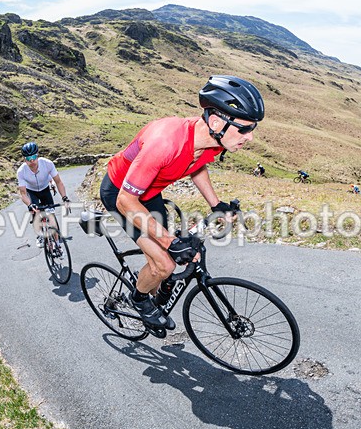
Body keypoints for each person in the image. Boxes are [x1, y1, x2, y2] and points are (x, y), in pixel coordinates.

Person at [100, 75, 263, 330]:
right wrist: (170, 242)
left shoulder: (212, 140)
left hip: (149, 194)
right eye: (244, 129)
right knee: (164, 263)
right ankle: (138, 299)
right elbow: (126, 201)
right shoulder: (165, 143)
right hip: (121, 194)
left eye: (253, 129)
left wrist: (216, 205)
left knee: (168, 256)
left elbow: (197, 166)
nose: (250, 137)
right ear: (217, 121)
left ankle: (155, 290)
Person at [17, 142, 71, 248]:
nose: (32, 161)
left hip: (45, 189)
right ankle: (40, 235)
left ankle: (58, 246)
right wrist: (29, 205)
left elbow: (58, 182)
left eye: (34, 157)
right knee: (35, 213)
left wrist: (64, 197)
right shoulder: (21, 171)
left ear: (37, 155)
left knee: (51, 216)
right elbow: (23, 193)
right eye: (28, 158)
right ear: (24, 159)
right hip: (31, 191)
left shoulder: (47, 163)